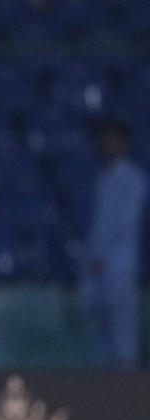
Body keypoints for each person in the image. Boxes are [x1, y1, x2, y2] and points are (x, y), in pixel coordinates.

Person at [78, 118, 147, 369]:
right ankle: (101, 403)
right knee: (99, 345)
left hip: (119, 269)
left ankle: (129, 402)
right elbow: (94, 226)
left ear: (125, 142)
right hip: (95, 270)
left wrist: (104, 258)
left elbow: (124, 226)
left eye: (113, 137)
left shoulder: (134, 179)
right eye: (105, 138)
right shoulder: (99, 179)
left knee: (123, 343)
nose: (108, 143)